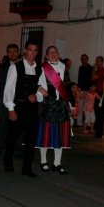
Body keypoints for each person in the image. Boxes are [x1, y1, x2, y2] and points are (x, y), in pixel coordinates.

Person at [3, 40, 47, 177]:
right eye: (30, 50)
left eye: (35, 51)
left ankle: (27, 167)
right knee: (13, 137)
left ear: (37, 52)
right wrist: (11, 108)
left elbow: (43, 88)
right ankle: (8, 161)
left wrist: (37, 95)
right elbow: (8, 89)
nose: (32, 53)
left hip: (32, 109)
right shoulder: (15, 67)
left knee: (31, 138)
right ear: (25, 51)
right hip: (18, 106)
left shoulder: (40, 69)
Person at [36, 46, 74, 175]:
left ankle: (57, 163)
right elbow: (38, 84)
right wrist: (43, 95)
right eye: (50, 52)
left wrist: (70, 105)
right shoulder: (42, 67)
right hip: (48, 104)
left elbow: (66, 87)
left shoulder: (63, 67)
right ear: (46, 56)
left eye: (55, 52)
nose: (53, 54)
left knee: (60, 134)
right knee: (46, 134)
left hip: (61, 105)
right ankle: (43, 161)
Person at [0, 44, 20, 158]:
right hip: (5, 99)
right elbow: (2, 85)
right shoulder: (3, 67)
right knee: (3, 125)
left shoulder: (22, 65)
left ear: (18, 52)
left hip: (18, 100)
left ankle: (16, 149)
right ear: (7, 54)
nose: (12, 54)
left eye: (14, 51)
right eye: (10, 52)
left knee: (18, 126)